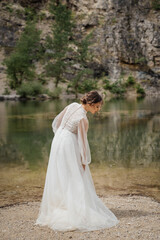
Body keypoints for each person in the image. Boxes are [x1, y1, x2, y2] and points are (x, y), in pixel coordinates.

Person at [35, 91, 119, 231]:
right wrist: (84, 161)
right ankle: (73, 207)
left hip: (58, 140)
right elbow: (83, 143)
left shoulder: (72, 105)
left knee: (61, 173)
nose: (98, 110)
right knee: (75, 174)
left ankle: (62, 204)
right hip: (68, 144)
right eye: (97, 107)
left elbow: (57, 122)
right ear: (91, 104)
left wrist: (62, 135)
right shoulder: (83, 119)